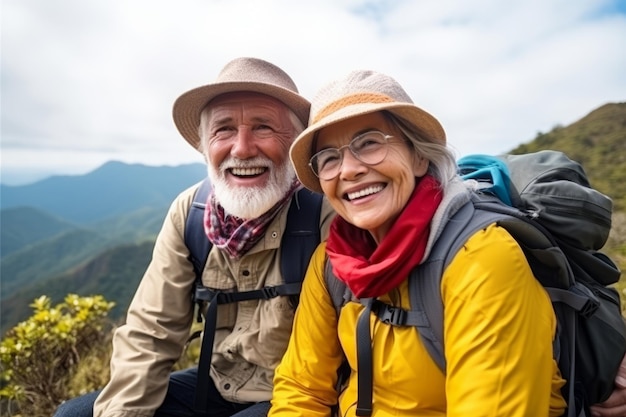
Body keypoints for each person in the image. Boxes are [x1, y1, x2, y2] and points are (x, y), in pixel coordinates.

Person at [270, 69, 569, 416]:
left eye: (369, 143)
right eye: (330, 158)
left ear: (418, 156)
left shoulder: (482, 258)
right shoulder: (332, 263)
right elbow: (301, 388)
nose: (348, 170)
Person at [53, 57, 335, 417]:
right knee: (76, 414)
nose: (242, 148)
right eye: (224, 130)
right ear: (204, 145)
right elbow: (151, 332)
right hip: (219, 381)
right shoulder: (191, 213)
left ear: (296, 142)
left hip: (298, 391)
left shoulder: (324, 212)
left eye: (263, 128)